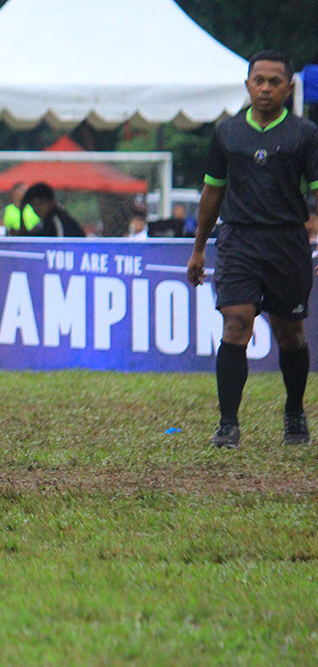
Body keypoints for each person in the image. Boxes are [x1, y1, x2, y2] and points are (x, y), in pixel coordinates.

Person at [187, 50, 318, 449]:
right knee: (236, 323)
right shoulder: (227, 133)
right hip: (239, 239)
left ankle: (294, 412)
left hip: (286, 241)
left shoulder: (304, 135)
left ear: (288, 88)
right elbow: (213, 191)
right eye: (258, 80)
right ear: (247, 84)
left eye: (274, 81)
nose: (265, 88)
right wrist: (198, 249)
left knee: (290, 333)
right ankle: (228, 424)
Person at [19, 182, 85, 237]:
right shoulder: (43, 223)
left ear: (52, 202)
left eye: (41, 203)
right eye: (33, 204)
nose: (37, 208)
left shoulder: (58, 222)